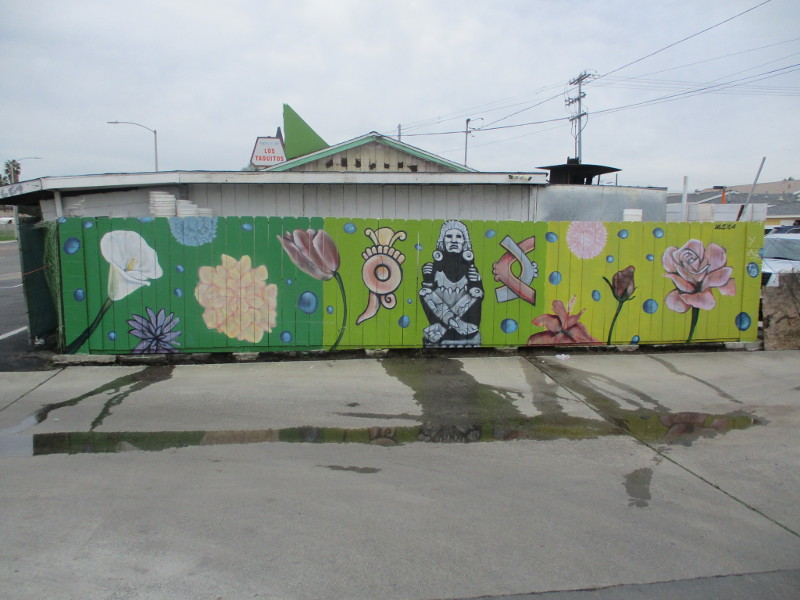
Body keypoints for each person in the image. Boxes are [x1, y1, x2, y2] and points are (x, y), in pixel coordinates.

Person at [419, 220, 483, 347]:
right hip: (443, 316)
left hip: (463, 316)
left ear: (464, 242)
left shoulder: (470, 267)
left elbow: (477, 295)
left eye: (458, 236)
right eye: (449, 236)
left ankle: (445, 327)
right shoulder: (435, 266)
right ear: (442, 241)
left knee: (476, 293)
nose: (454, 240)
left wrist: (476, 281)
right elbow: (428, 294)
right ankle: (454, 323)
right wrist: (427, 278)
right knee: (425, 292)